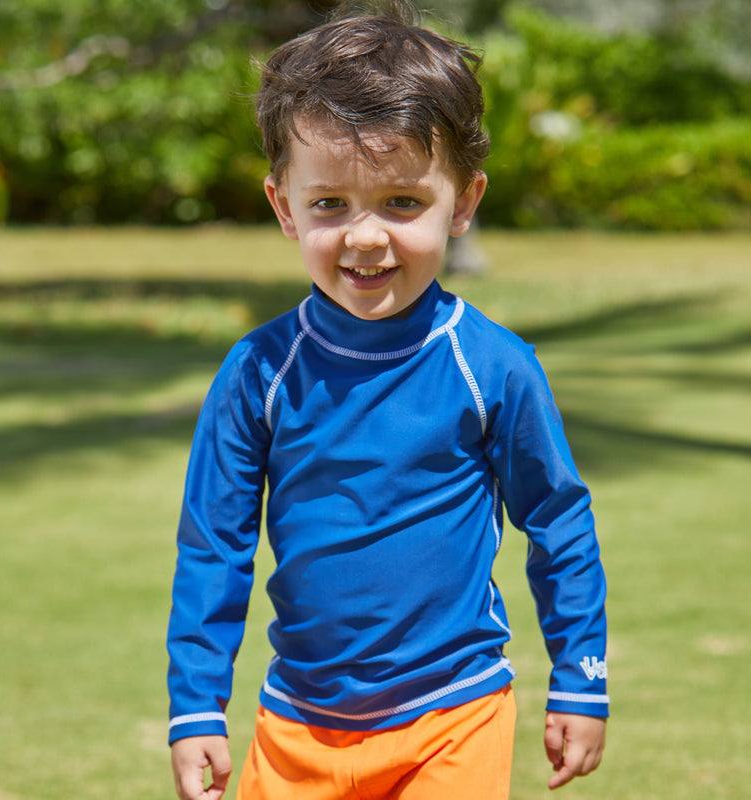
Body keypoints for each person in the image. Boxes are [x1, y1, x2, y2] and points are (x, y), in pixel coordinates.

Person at [166, 2, 608, 798]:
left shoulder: (494, 368)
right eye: (330, 203)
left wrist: (581, 678)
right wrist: (196, 708)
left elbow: (559, 524)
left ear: (463, 203)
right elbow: (214, 545)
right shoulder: (257, 372)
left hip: (455, 716)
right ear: (282, 207)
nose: (365, 237)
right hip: (297, 723)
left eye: (402, 202)